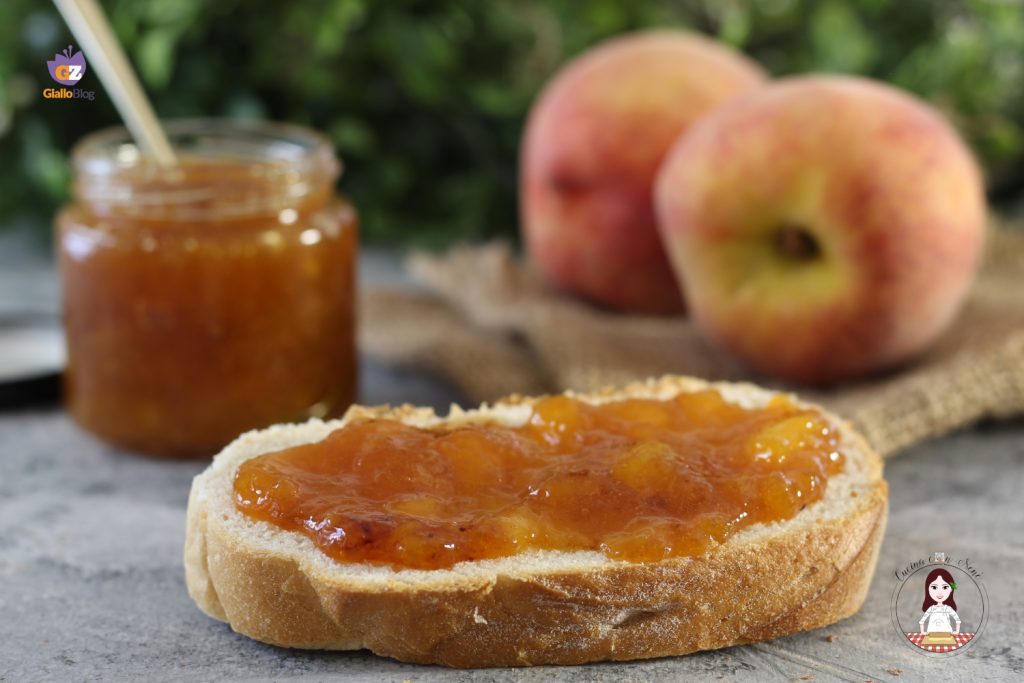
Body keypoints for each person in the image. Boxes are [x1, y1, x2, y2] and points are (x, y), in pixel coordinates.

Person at [919, 568, 961, 636]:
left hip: (946, 634)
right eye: (934, 587)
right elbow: (921, 621)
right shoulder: (931, 608)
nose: (939, 592)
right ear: (928, 589)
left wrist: (956, 632)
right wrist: (923, 632)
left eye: (945, 587)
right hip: (932, 635)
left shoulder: (947, 608)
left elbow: (958, 620)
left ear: (951, 589)